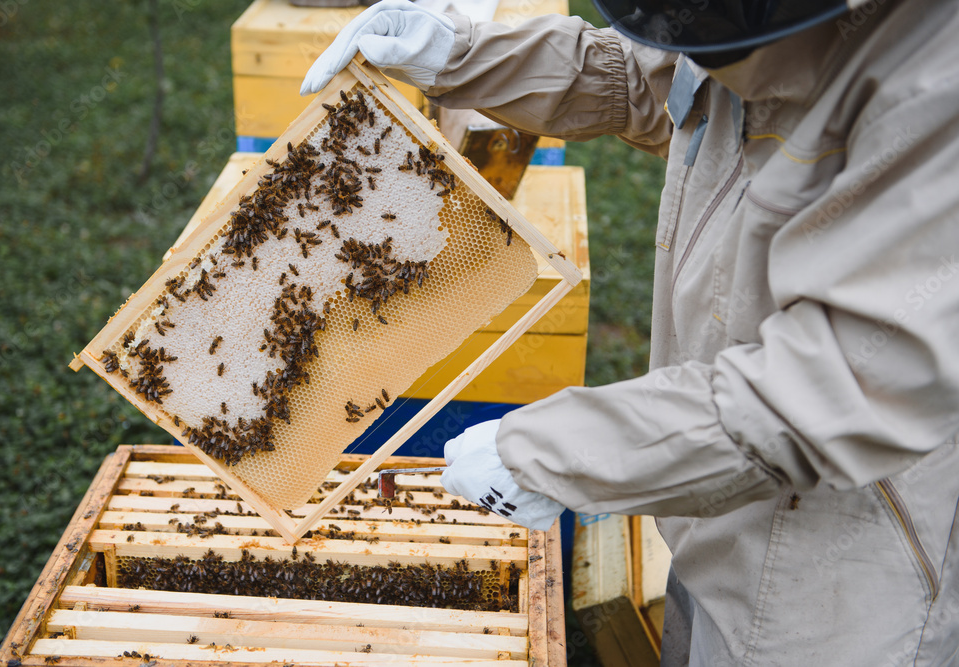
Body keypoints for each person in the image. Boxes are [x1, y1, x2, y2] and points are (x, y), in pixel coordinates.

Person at [303, 0, 959, 663]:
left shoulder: (938, 85)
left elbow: (836, 385)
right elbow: (656, 76)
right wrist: (460, 55)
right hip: (710, 499)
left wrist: (553, 451)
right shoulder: (741, 20)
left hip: (838, 588)